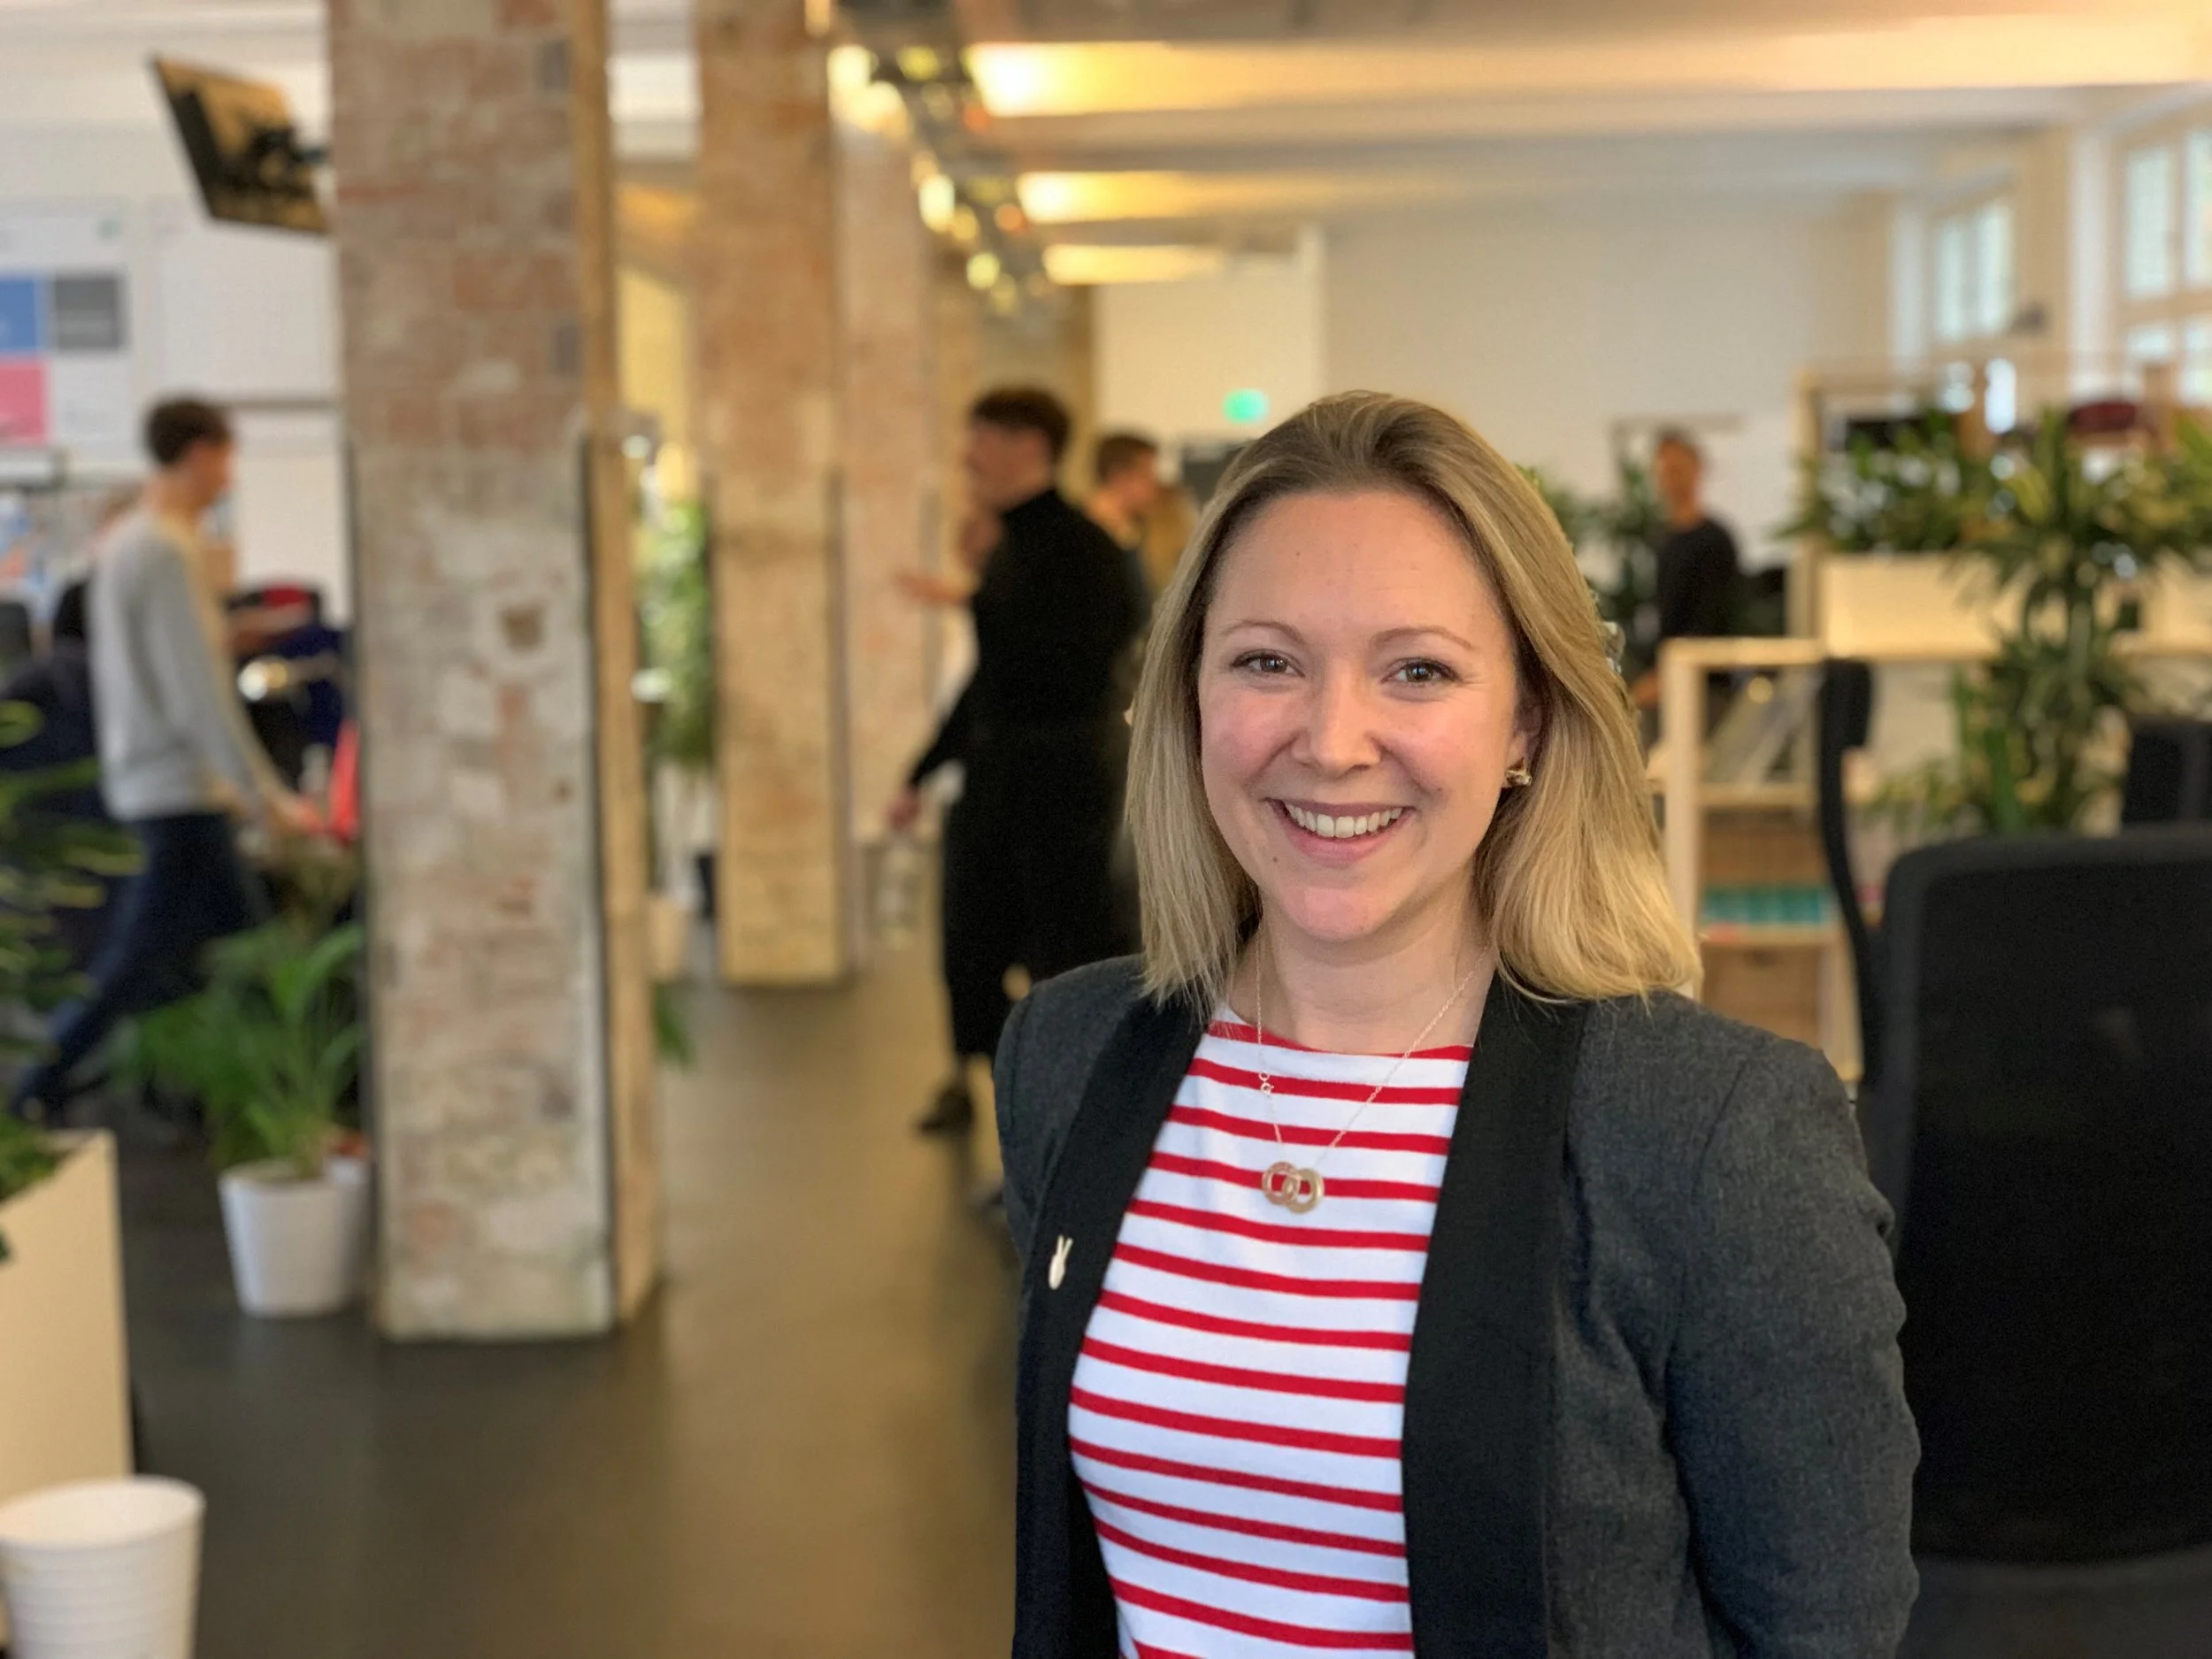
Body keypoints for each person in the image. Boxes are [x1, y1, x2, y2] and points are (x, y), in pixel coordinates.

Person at [994, 394, 1916, 1656]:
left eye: (1416, 669)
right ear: (1192, 691)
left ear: (1527, 717)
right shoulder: (1070, 1053)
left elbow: (1824, 1629)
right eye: (1267, 659)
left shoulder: (1713, 1134)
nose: (1331, 740)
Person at [10, 397, 314, 1121]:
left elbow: (165, 669)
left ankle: (241, 1098)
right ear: (202, 453)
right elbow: (195, 695)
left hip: (149, 778)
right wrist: (265, 795)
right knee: (195, 958)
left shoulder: (125, 544)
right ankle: (34, 1089)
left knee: (200, 957)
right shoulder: (167, 548)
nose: (228, 478)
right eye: (227, 459)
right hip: (178, 788)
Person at [908, 389, 1148, 1149]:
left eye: (981, 440)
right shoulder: (1012, 546)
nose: (968, 457)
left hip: (1058, 800)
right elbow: (992, 680)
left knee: (1063, 955)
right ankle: (995, 1099)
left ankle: (1073, 1126)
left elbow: (1061, 675)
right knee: (972, 945)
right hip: (1002, 789)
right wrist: (921, 770)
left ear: (1027, 445)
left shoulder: (1080, 550)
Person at [1634, 427, 1743, 709]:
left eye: (1678, 469)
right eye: (1665, 471)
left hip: (1706, 684)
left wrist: (1666, 677)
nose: (1671, 480)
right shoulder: (1661, 538)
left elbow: (1711, 618)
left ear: (1697, 470)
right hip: (1667, 678)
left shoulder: (1716, 540)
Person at [1083, 431, 1164, 554]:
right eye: (1146, 475)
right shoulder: (1084, 537)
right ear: (1119, 477)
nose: (1155, 484)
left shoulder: (1130, 531)